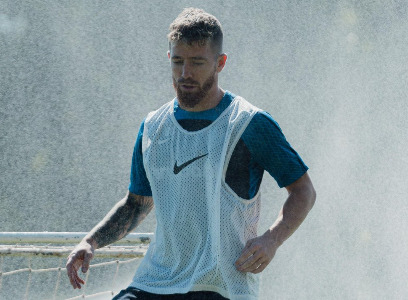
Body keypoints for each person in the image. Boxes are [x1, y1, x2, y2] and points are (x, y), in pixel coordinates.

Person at [66, 7, 316, 300]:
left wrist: (272, 240)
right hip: (155, 283)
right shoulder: (152, 127)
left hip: (222, 285)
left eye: (197, 62)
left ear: (220, 63)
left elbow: (303, 191)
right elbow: (136, 205)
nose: (185, 73)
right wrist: (91, 241)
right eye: (177, 61)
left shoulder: (249, 123)